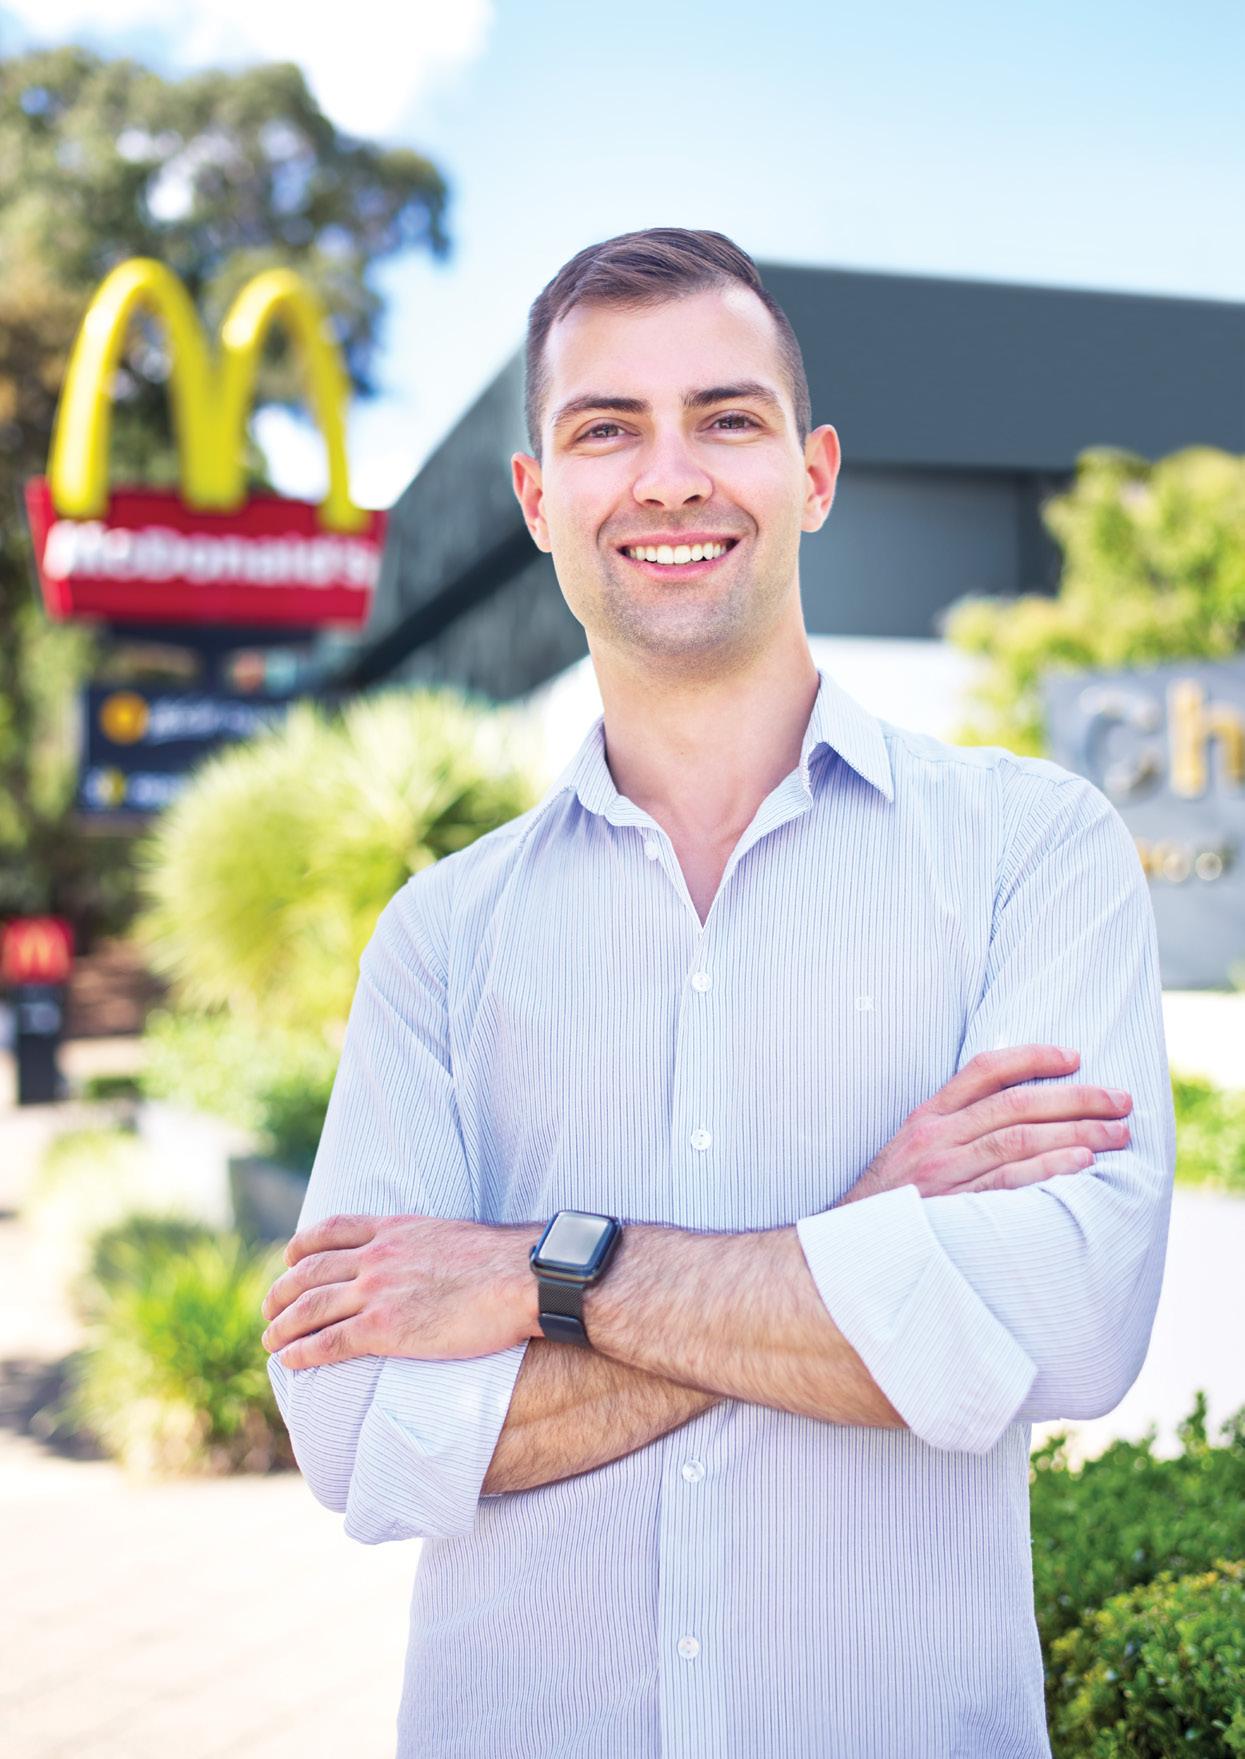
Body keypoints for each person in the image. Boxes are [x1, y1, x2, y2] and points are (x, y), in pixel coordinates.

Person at [260, 227, 1175, 1758]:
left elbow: (1064, 1326)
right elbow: (361, 1435)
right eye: (605, 429)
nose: (669, 477)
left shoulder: (1031, 852)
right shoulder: (440, 939)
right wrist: (865, 1241)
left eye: (725, 419)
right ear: (536, 499)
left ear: (812, 475)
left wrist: (535, 1278)